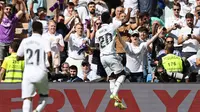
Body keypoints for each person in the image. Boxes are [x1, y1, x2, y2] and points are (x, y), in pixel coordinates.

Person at [95, 9, 132, 109]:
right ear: (109, 18)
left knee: (111, 78)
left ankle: (116, 101)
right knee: (122, 74)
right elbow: (126, 20)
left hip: (102, 57)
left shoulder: (97, 32)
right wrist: (129, 11)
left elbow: (97, 45)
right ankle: (114, 93)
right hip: (111, 55)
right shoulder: (112, 26)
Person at [17, 21, 52, 112]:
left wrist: (26, 57)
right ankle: (37, 111)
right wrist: (50, 66)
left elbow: (18, 56)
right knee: (44, 97)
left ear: (32, 29)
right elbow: (49, 54)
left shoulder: (25, 41)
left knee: (27, 99)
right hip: (41, 72)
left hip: (28, 73)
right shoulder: (44, 40)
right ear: (41, 30)